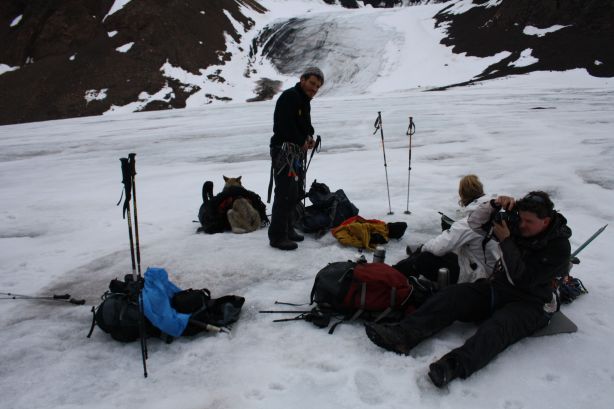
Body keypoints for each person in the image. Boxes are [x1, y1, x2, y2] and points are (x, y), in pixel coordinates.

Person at [365, 191, 572, 388]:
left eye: (529, 222)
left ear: (546, 221)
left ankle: (453, 365)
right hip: (500, 288)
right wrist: (494, 205)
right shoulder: (519, 224)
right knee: (453, 295)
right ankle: (403, 335)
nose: (522, 225)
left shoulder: (559, 247)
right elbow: (474, 224)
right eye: (521, 219)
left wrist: (507, 241)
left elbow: (522, 278)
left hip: (533, 302)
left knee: (498, 327)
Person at [393, 174, 498, 284]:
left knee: (423, 259)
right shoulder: (494, 210)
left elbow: (439, 247)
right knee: (448, 252)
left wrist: (423, 248)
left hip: (481, 276)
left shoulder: (471, 222)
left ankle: (392, 275)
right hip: (492, 269)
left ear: (462, 195)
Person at [267, 67, 324, 250]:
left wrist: (309, 136)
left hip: (294, 153)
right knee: (284, 193)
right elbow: (284, 126)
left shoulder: (303, 100)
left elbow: (304, 124)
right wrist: (302, 140)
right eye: (312, 84)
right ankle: (277, 236)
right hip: (284, 152)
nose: (314, 89)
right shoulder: (290, 96)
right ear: (302, 80)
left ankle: (288, 228)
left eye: (317, 87)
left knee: (294, 193)